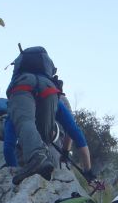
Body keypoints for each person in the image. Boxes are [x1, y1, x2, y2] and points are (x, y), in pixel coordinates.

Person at [6, 46, 71, 185]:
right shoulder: (61, 99)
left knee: (24, 122)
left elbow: (9, 142)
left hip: (23, 85)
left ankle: (36, 159)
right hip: (54, 146)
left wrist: (11, 168)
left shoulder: (19, 92)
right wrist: (66, 151)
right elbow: (73, 130)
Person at [3, 93, 92, 176]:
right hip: (53, 146)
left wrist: (12, 170)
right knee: (54, 177)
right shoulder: (57, 98)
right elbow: (73, 132)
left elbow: (8, 147)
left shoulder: (18, 102)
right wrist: (88, 171)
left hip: (25, 146)